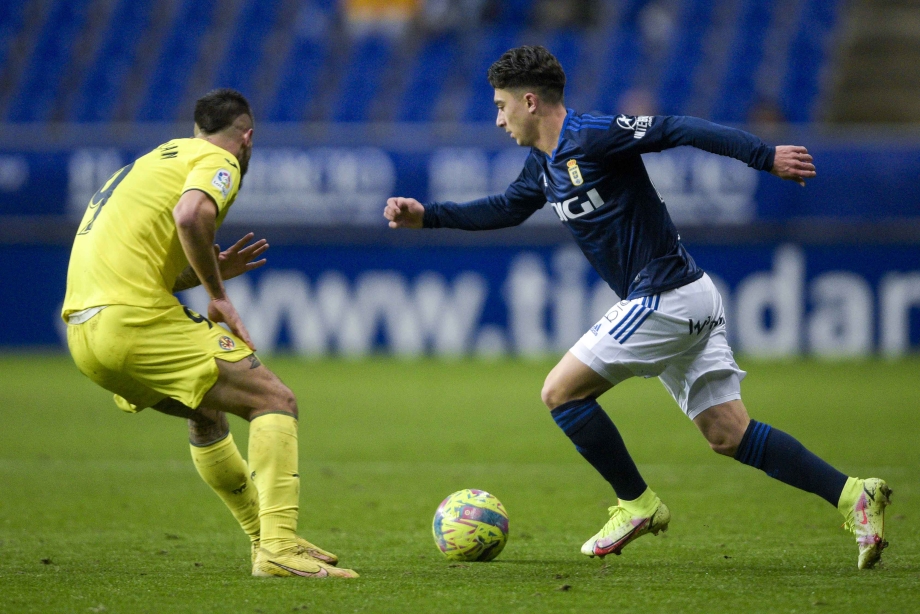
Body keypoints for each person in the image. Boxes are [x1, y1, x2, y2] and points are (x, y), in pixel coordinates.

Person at [384, 46, 891, 570]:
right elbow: (507, 208)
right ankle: (854, 493)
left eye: (500, 105)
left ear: (529, 101)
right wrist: (430, 216)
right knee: (728, 434)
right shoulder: (544, 163)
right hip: (689, 294)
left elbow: (678, 128)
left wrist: (765, 156)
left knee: (559, 391)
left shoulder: (594, 134)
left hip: (666, 296)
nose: (497, 118)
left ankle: (637, 504)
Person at [63, 88, 357, 579]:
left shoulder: (148, 162)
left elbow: (154, 256)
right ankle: (279, 549)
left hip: (85, 334)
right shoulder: (220, 159)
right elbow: (191, 215)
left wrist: (203, 269)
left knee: (206, 413)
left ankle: (266, 541)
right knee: (274, 399)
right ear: (247, 137)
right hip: (134, 320)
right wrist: (215, 292)